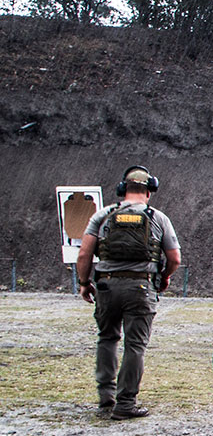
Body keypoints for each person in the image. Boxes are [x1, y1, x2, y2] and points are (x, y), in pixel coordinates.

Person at [74, 166, 181, 419]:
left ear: (123, 189)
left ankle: (106, 396)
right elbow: (175, 258)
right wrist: (164, 277)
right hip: (141, 287)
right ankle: (125, 403)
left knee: (107, 338)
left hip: (106, 286)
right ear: (149, 191)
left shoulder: (103, 215)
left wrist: (84, 282)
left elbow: (84, 254)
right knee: (135, 345)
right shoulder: (158, 218)